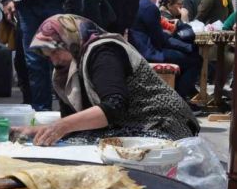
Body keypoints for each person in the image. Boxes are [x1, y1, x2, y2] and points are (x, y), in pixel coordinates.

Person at [11, 14, 199, 146]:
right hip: (130, 125)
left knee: (87, 145)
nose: (53, 60)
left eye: (55, 51)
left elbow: (114, 106)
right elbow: (72, 124)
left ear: (69, 39)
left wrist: (62, 126)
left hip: (163, 125)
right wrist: (35, 131)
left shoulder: (103, 52)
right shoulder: (67, 70)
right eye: (47, 55)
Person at [130, 0, 202, 99]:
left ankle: (178, 96)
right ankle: (179, 100)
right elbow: (160, 40)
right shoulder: (149, 7)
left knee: (186, 56)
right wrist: (187, 47)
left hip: (143, 50)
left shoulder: (142, 3)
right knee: (195, 60)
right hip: (149, 53)